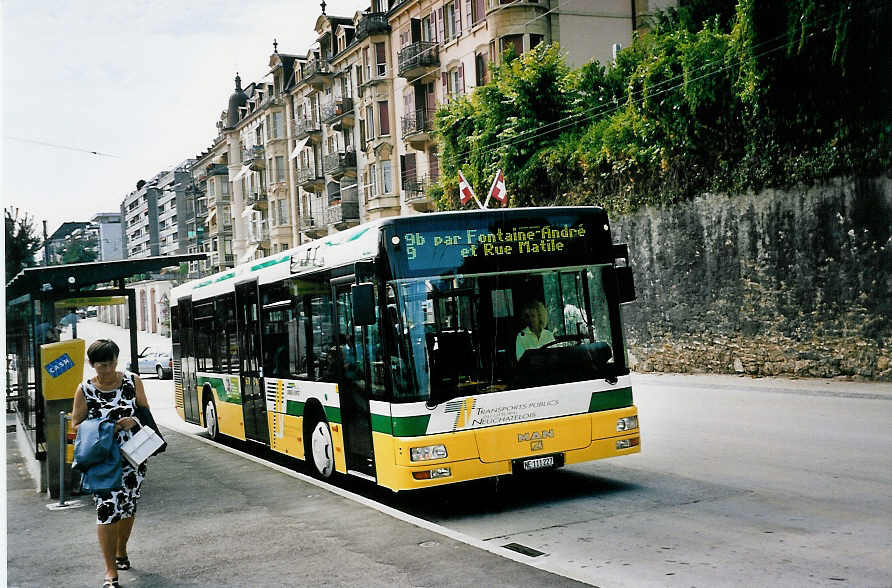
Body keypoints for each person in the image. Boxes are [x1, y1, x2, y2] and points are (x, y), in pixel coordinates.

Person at [72, 339, 150, 588]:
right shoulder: (84, 389)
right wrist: (109, 427)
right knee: (106, 509)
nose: (107, 370)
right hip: (102, 460)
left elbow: (145, 414)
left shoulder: (132, 381)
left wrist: (134, 422)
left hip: (133, 457)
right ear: (92, 365)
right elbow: (76, 427)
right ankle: (110, 571)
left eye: (112, 363)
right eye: (101, 365)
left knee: (128, 506)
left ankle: (121, 550)